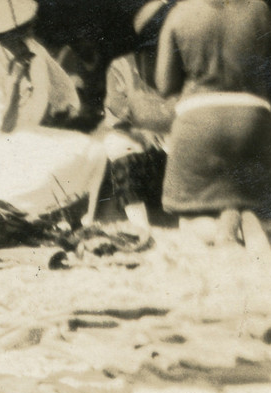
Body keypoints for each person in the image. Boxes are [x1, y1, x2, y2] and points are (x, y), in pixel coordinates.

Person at [0, 0, 110, 235]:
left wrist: (69, 115)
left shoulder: (35, 50)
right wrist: (14, 83)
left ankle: (79, 219)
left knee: (94, 149)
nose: (24, 37)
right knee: (55, 162)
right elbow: (2, 127)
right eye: (16, 34)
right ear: (0, 35)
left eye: (28, 29)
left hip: (29, 134)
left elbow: (65, 95)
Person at [155, 0, 271, 250]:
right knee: (256, 202)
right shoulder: (259, 9)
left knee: (190, 220)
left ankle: (222, 228)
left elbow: (165, 85)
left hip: (198, 120)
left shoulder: (180, 13)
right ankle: (247, 216)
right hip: (251, 120)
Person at [100, 3, 178, 232]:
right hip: (144, 151)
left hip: (181, 152)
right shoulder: (122, 67)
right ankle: (141, 227)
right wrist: (141, 131)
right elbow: (116, 116)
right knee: (116, 143)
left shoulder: (184, 66)